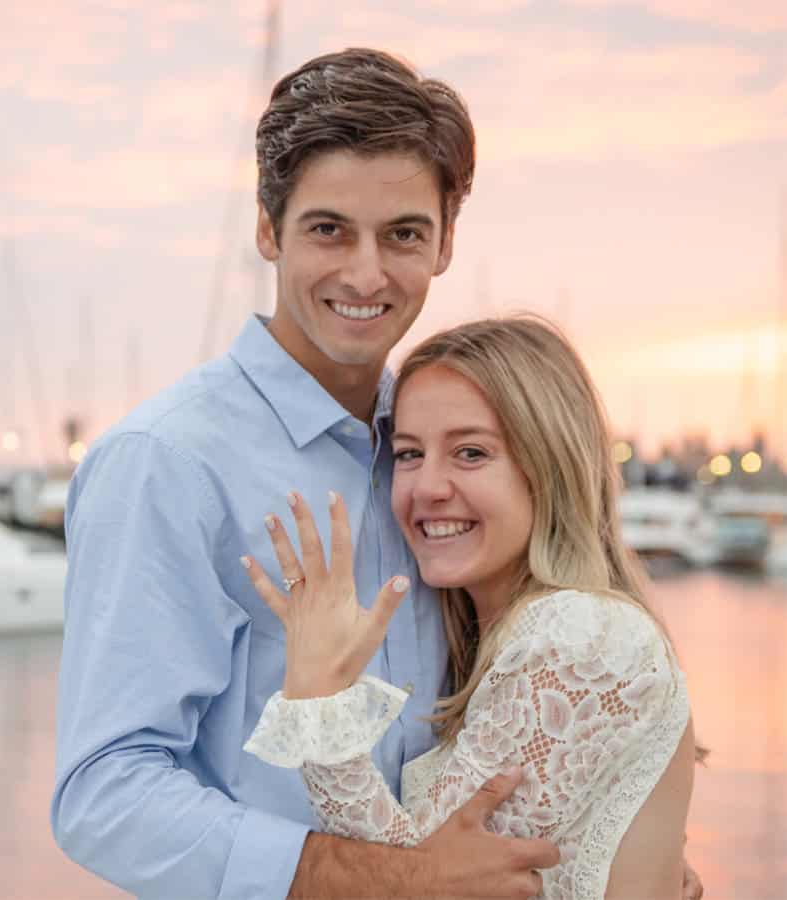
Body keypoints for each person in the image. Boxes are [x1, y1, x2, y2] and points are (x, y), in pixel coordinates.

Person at [52, 48, 703, 899]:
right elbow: (104, 796)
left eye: (403, 234)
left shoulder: (432, 448)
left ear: (445, 242)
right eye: (328, 229)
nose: (366, 274)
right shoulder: (166, 462)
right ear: (266, 228)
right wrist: (383, 879)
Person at [242, 316, 697, 898]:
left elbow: (428, 885)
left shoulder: (580, 635)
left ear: (549, 464)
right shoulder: (505, 640)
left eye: (471, 452)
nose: (427, 486)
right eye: (408, 454)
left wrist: (320, 701)